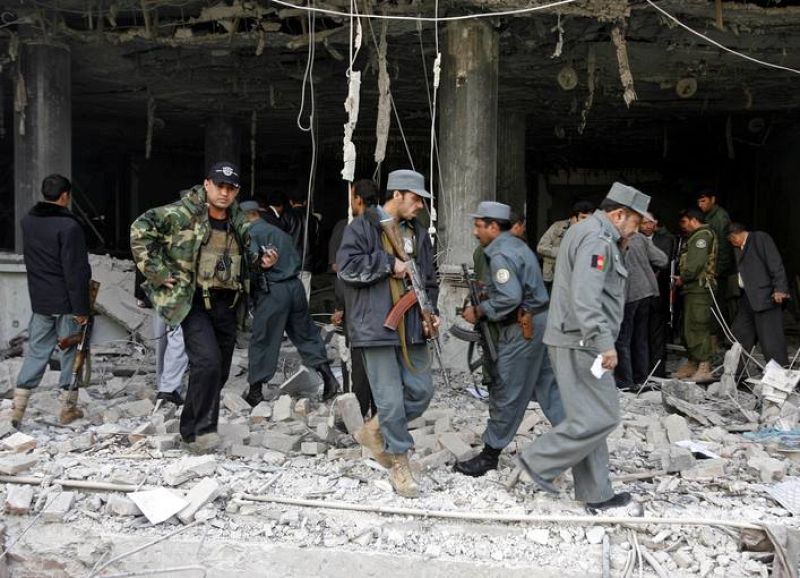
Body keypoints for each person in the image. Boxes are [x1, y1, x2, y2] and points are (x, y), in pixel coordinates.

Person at [518, 182, 650, 513]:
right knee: (603, 415)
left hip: (574, 337)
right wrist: (604, 344)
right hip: (582, 340)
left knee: (588, 416)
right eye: (636, 222)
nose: (639, 229)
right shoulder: (598, 239)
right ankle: (538, 460)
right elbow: (586, 297)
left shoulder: (588, 230)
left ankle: (596, 493)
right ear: (619, 214)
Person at [130, 161, 250, 453]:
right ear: (207, 184)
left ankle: (199, 424)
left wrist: (263, 259)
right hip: (193, 302)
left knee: (218, 370)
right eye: (219, 186)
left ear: (236, 191)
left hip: (227, 302)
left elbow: (247, 256)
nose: (224, 192)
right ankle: (196, 432)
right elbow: (140, 229)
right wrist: (157, 272)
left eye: (230, 188)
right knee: (206, 362)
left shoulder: (238, 221)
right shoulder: (181, 213)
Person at [337, 169, 439, 498]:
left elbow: (429, 278)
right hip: (375, 327)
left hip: (411, 326)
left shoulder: (419, 233)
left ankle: (374, 430)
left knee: (421, 392)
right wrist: (387, 264)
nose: (421, 206)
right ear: (397, 195)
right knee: (391, 401)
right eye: (417, 199)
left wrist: (430, 312)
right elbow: (348, 268)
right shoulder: (363, 226)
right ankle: (400, 462)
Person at [454, 202, 564, 477]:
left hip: (522, 327)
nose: (475, 232)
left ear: (494, 226)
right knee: (549, 387)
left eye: (479, 226)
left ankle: (490, 455)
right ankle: (577, 441)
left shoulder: (500, 254)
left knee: (508, 390)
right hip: (538, 323)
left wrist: (479, 310)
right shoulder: (516, 246)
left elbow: (510, 297)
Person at [10, 174, 92, 427]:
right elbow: (75, 270)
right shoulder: (70, 227)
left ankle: (17, 410)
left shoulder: (28, 222)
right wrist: (81, 308)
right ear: (65, 196)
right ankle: (68, 409)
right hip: (67, 302)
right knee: (72, 352)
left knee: (36, 352)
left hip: (41, 301)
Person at [240, 200, 340, 405]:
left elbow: (252, 265)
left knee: (263, 339)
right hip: (295, 287)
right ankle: (329, 379)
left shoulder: (251, 234)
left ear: (246, 216)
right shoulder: (279, 233)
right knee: (307, 334)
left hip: (273, 290)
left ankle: (255, 391)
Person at [330, 180, 380, 417]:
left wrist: (340, 305)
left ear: (358, 198)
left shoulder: (352, 226)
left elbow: (343, 270)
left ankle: (359, 416)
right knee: (382, 366)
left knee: (358, 365)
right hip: (384, 308)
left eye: (352, 196)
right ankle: (381, 417)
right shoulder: (389, 224)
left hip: (358, 307)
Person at [614, 218, 667, 389]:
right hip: (646, 292)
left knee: (623, 339)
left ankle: (624, 381)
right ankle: (641, 377)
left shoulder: (613, 238)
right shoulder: (641, 238)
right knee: (641, 338)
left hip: (627, 294)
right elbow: (663, 260)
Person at [728, 223, 790, 367]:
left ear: (734, 236)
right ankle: (735, 376)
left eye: (731, 239)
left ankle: (779, 378)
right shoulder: (739, 247)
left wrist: (780, 288)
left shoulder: (759, 238)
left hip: (766, 296)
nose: (731, 243)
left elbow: (775, 263)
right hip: (748, 298)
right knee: (740, 335)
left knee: (771, 340)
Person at [672, 208, 717, 383]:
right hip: (692, 289)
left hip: (699, 289)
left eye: (684, 222)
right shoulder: (696, 236)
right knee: (688, 326)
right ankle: (693, 362)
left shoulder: (701, 236)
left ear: (693, 220)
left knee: (699, 325)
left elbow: (696, 264)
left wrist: (683, 277)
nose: (683, 227)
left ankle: (704, 366)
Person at [135, 267, 188, 407]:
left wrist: (141, 293)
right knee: (176, 338)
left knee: (170, 338)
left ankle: (166, 387)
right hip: (170, 284)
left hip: (167, 285)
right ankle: (167, 388)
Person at [697, 190, 738, 343]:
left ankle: (717, 338)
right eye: (699, 202)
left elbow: (724, 247)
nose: (700, 205)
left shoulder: (720, 218)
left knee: (717, 304)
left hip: (718, 270)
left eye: (703, 201)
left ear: (712, 199)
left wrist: (717, 271)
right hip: (712, 269)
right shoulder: (708, 216)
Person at [640, 213, 676, 378]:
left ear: (656, 223)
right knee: (641, 334)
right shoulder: (634, 239)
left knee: (657, 334)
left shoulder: (665, 240)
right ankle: (642, 370)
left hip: (658, 292)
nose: (648, 226)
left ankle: (658, 371)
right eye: (644, 222)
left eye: (651, 222)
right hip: (638, 293)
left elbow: (665, 262)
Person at [537, 201, 595, 294]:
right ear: (573, 217)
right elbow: (541, 247)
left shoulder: (591, 232)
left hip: (576, 279)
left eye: (588, 219)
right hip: (553, 277)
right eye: (583, 217)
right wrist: (562, 252)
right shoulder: (557, 226)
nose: (585, 222)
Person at [286, 189, 321, 300]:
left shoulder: (287, 216)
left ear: (291, 202)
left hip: (289, 262)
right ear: (305, 202)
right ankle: (302, 317)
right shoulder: (314, 219)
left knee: (289, 294)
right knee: (304, 296)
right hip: (307, 262)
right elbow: (317, 242)